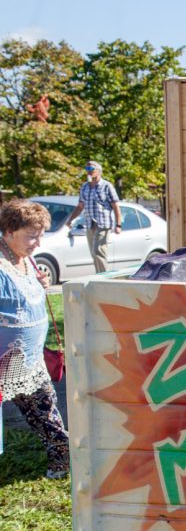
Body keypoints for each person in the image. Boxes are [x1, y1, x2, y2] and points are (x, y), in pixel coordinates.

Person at [0, 199, 69, 476]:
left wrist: (41, 284)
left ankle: (62, 460)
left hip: (30, 359)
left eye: (40, 235)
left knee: (45, 408)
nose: (37, 243)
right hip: (3, 360)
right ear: (9, 231)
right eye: (31, 235)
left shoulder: (26, 258)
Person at [66, 160, 122, 272]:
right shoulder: (85, 187)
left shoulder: (107, 186)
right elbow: (80, 206)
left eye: (92, 169)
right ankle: (99, 275)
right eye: (87, 169)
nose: (89, 172)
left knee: (98, 251)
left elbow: (116, 206)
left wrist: (118, 224)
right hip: (90, 224)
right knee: (93, 252)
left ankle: (104, 278)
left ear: (99, 171)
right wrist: (70, 220)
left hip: (103, 224)